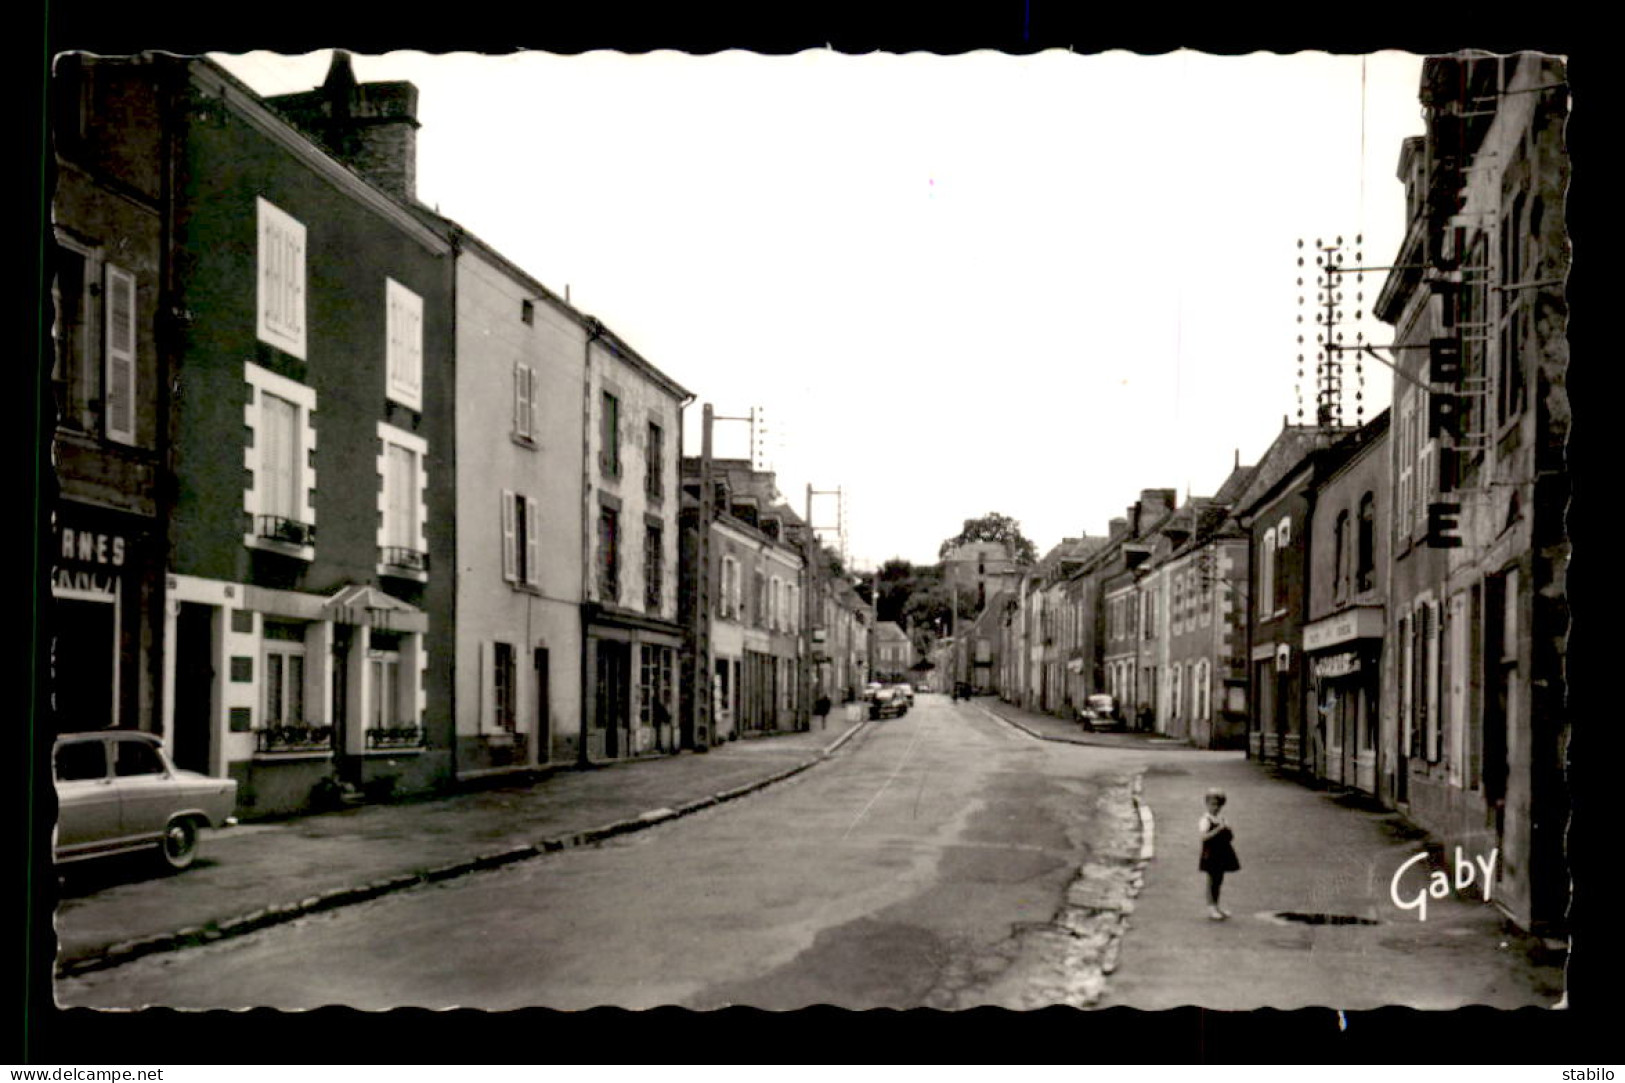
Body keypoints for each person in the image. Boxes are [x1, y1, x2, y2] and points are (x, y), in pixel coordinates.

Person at [1198, 786, 1240, 920]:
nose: (1215, 808)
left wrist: (1228, 830)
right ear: (1207, 804)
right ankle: (1211, 906)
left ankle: (1217, 906)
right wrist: (1218, 830)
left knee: (1219, 880)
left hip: (1222, 853)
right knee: (1212, 880)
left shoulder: (1221, 819)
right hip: (1211, 853)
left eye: (1218, 805)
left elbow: (1230, 837)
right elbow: (1203, 837)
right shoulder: (1205, 820)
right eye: (1212, 804)